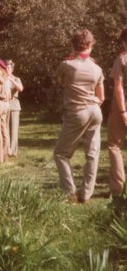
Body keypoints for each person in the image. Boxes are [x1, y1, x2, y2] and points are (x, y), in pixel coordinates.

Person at [53, 30, 104, 204]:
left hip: (77, 111)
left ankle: (69, 192)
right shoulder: (97, 68)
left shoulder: (66, 65)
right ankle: (86, 194)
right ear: (91, 45)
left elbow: (60, 82)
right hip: (95, 111)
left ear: (73, 45)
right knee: (92, 154)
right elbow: (101, 96)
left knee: (61, 153)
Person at [107, 28, 127, 196]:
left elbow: (118, 88)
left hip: (122, 104)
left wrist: (122, 111)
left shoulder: (121, 59)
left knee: (115, 145)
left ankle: (118, 189)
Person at [5, 60, 24, 157]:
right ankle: (6, 150)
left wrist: (11, 80)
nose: (6, 69)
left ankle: (13, 151)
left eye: (8, 68)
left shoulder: (16, 79)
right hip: (4, 104)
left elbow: (21, 88)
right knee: (5, 129)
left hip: (14, 105)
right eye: (5, 67)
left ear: (12, 69)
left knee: (14, 129)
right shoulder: (2, 78)